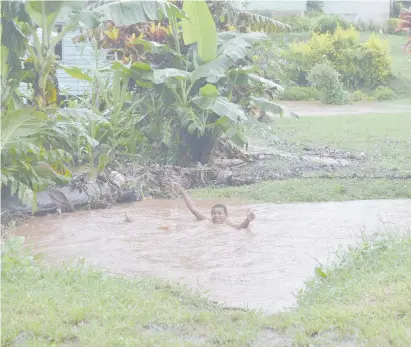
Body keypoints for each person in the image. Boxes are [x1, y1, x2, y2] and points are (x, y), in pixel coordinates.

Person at [172, 183, 256, 229]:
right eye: (214, 213)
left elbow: (240, 227)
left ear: (226, 215)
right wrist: (182, 192)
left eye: (220, 213)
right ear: (211, 215)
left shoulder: (228, 222)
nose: (216, 216)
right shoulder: (209, 220)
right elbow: (194, 209)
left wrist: (248, 220)